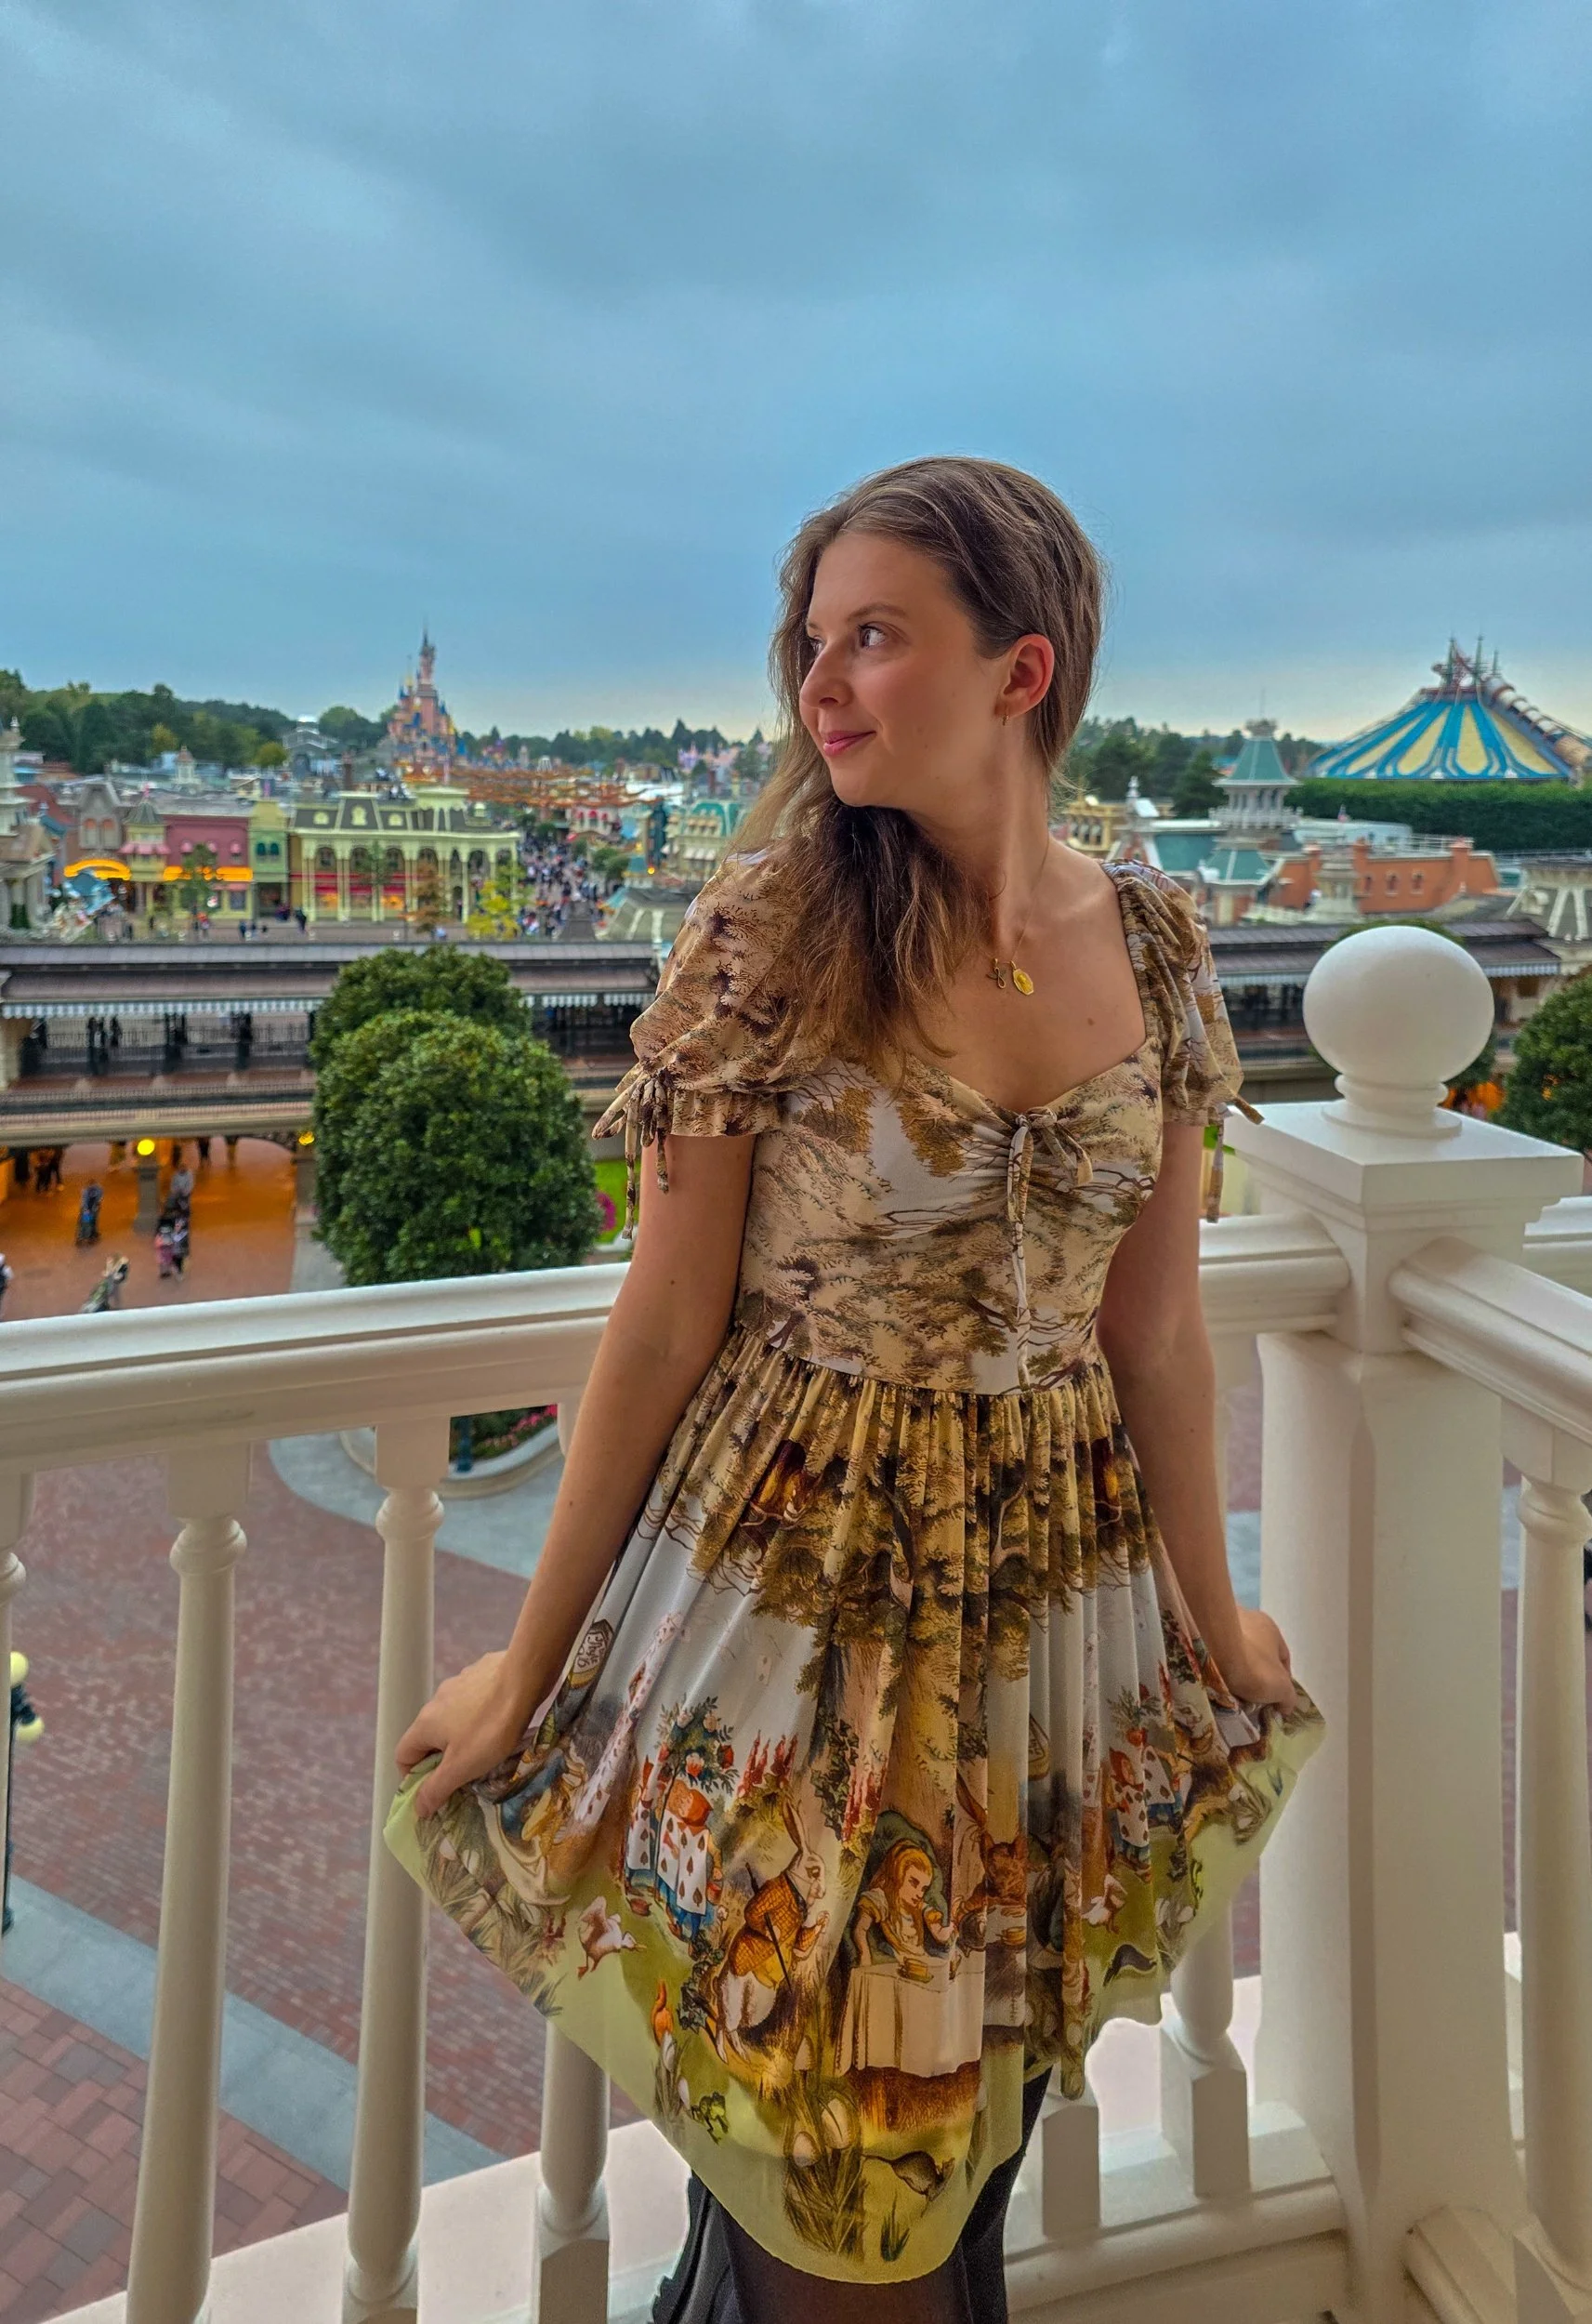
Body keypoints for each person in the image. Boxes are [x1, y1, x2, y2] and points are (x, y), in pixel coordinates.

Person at [389, 458, 1322, 2323]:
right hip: (791, 1609)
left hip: (1045, 1618)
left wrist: (1212, 1628)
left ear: (1020, 667)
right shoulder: (770, 926)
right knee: (840, 2180)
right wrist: (540, 1658)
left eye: (874, 635)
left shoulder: (1151, 941)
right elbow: (659, 1324)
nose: (819, 680)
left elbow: (1152, 1330)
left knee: (952, 2124)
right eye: (810, 640)